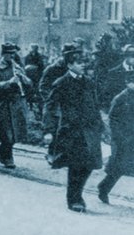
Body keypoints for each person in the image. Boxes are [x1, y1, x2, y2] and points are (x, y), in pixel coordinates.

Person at [48, 46, 103, 212]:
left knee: (90, 165)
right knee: (76, 165)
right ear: (70, 65)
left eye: (84, 63)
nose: (83, 66)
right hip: (72, 131)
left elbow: (94, 104)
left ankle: (77, 193)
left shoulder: (88, 82)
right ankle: (74, 198)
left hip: (90, 130)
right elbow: (50, 106)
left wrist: (100, 124)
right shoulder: (61, 83)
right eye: (79, 63)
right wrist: (49, 129)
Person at [0, 43, 32, 169]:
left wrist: (23, 79)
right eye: (9, 54)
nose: (12, 56)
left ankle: (3, 150)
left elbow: (29, 85)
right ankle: (8, 156)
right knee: (6, 132)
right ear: (4, 54)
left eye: (13, 53)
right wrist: (9, 83)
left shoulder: (17, 67)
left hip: (17, 104)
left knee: (15, 132)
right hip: (4, 104)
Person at [97, 73, 134, 204]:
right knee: (119, 167)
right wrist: (119, 137)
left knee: (124, 167)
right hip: (123, 139)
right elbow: (112, 119)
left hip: (131, 138)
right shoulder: (120, 98)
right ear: (127, 83)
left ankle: (104, 187)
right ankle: (104, 188)